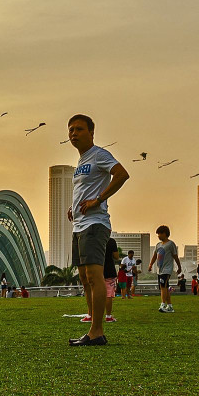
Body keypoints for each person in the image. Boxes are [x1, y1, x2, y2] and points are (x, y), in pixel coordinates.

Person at [64, 113, 128, 346]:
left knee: (94, 276)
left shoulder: (100, 154)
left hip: (95, 224)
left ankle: (97, 331)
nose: (74, 133)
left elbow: (122, 175)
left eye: (79, 129)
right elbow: (85, 189)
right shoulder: (81, 162)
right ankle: (93, 326)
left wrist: (98, 200)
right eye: (71, 130)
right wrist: (74, 207)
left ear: (91, 133)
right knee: (84, 277)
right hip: (79, 224)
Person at [147, 225, 182, 313]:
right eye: (157, 234)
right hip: (160, 270)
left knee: (163, 287)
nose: (158, 236)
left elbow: (175, 256)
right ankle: (170, 306)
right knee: (164, 287)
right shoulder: (158, 245)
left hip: (167, 269)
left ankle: (162, 304)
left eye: (160, 233)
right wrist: (150, 264)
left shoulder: (170, 244)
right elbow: (155, 256)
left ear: (165, 234)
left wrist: (179, 266)